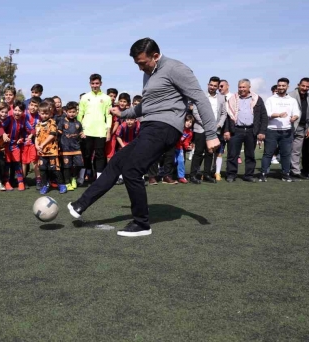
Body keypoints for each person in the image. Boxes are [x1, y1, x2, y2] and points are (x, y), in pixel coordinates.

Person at [68, 37, 219, 237]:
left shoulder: (176, 68)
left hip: (166, 127)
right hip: (149, 127)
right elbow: (145, 106)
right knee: (117, 162)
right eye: (137, 64)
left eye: (142, 63)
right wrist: (123, 113)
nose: (140, 68)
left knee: (132, 169)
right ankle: (81, 204)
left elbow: (200, 98)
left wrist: (211, 134)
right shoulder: (149, 73)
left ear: (155, 56)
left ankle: (141, 224)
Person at [223, 79, 268, 182]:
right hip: (236, 130)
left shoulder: (257, 99)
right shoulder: (232, 99)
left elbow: (263, 116)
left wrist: (262, 131)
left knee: (250, 155)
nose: (242, 89)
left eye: (244, 87)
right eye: (240, 87)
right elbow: (227, 116)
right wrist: (226, 130)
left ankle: (248, 175)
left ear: (249, 87)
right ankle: (231, 175)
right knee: (232, 154)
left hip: (251, 130)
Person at [259, 78, 300, 182]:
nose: (281, 87)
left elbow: (297, 112)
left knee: (286, 154)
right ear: (277, 86)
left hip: (286, 131)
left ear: (287, 87)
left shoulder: (292, 100)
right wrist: (278, 115)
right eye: (279, 85)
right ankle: (263, 174)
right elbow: (267, 113)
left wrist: (295, 117)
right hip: (272, 130)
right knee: (268, 153)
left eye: (283, 85)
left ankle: (286, 174)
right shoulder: (270, 99)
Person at [190, 76, 227, 184]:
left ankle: (206, 174)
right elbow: (195, 112)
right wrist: (207, 125)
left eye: (215, 86)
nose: (212, 87)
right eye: (211, 85)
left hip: (215, 130)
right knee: (198, 152)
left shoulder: (221, 98)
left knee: (210, 152)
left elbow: (224, 113)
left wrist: (219, 125)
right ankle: (193, 175)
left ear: (218, 87)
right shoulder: (201, 97)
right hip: (201, 129)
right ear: (208, 84)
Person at [77, 73, 112, 183]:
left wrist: (108, 131)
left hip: (101, 131)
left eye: (97, 83)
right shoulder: (85, 97)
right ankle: (83, 176)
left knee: (100, 155)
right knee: (86, 155)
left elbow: (109, 115)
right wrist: (80, 130)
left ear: (101, 83)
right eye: (93, 83)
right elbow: (80, 114)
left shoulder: (106, 98)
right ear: (90, 84)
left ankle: (99, 178)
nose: (95, 85)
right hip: (87, 131)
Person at [288, 78, 309, 178]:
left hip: (303, 127)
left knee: (296, 151)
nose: (305, 88)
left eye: (307, 86)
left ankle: (295, 171)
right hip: (290, 127)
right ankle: (286, 170)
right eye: (303, 86)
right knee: (287, 150)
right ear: (299, 85)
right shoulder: (290, 95)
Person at [57, 101, 84, 191]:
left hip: (76, 148)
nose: (72, 114)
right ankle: (67, 182)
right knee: (67, 166)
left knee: (79, 164)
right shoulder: (62, 121)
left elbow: (80, 132)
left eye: (73, 112)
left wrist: (82, 135)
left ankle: (73, 177)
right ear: (66, 112)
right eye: (70, 112)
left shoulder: (78, 123)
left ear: (76, 112)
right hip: (66, 148)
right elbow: (59, 132)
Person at [35, 101, 61, 194]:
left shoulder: (52, 122)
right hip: (42, 151)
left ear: (50, 113)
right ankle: (45, 185)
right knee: (42, 169)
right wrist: (37, 145)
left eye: (47, 113)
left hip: (52, 151)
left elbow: (52, 135)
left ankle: (61, 184)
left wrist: (42, 144)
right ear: (39, 113)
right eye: (43, 113)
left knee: (54, 169)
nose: (44, 115)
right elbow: (36, 137)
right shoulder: (38, 124)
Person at [1, 101, 27, 191]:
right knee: (7, 165)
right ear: (12, 110)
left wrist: (22, 138)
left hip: (16, 146)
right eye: (15, 110)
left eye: (19, 111)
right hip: (7, 146)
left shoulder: (23, 120)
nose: (17, 112)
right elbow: (0, 127)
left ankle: (20, 182)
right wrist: (3, 134)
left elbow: (25, 131)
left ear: (23, 112)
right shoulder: (9, 118)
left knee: (17, 164)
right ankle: (6, 182)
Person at [22, 97, 41, 188]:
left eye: (35, 106)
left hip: (34, 142)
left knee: (35, 161)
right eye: (31, 105)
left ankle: (38, 180)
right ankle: (23, 180)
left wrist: (32, 135)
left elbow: (37, 129)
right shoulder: (24, 114)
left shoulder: (39, 116)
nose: (33, 107)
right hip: (23, 141)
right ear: (28, 105)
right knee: (24, 162)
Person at [176, 115, 195, 184]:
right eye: (187, 121)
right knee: (172, 161)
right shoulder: (178, 127)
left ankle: (181, 177)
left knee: (181, 161)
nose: (188, 123)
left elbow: (186, 141)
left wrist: (187, 147)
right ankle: (164, 173)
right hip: (172, 147)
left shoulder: (189, 133)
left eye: (190, 122)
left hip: (180, 148)